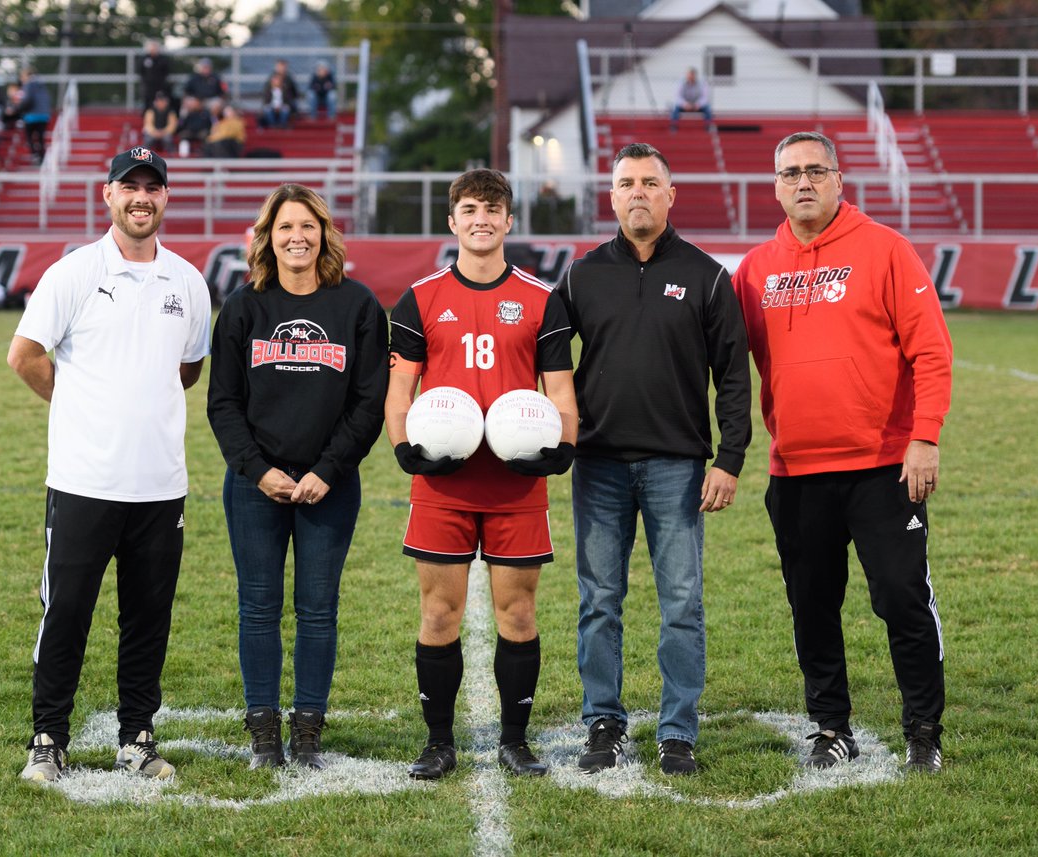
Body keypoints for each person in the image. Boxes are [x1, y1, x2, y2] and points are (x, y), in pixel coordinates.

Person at [731, 131, 952, 774]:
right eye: (790, 173)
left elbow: (931, 352)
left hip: (884, 466)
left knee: (903, 599)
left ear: (838, 179)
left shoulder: (886, 250)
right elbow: (721, 362)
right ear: (775, 185)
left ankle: (923, 729)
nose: (803, 182)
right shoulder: (755, 269)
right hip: (796, 472)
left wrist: (926, 436)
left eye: (815, 170)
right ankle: (831, 726)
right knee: (812, 605)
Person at [7, 147, 212, 783]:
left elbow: (189, 368)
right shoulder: (73, 272)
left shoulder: (188, 281)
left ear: (166, 199)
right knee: (65, 612)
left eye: (153, 188)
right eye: (130, 187)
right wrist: (82, 407)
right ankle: (48, 738)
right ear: (108, 195)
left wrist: (136, 401)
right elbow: (24, 354)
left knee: (146, 619)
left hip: (159, 486)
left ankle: (137, 737)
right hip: (83, 480)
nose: (141, 198)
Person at [556, 142, 751, 776]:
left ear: (671, 194)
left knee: (681, 603)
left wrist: (730, 460)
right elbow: (550, 364)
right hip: (600, 465)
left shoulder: (707, 275)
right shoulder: (583, 274)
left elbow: (734, 377)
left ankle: (677, 731)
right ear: (610, 197)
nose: (637, 192)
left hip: (678, 466)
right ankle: (604, 723)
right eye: (626, 183)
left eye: (649, 182)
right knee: (599, 600)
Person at [385, 168, 579, 781]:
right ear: (452, 220)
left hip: (516, 483)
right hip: (441, 482)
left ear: (509, 221)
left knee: (517, 614)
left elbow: (562, 393)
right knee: (439, 612)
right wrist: (402, 447)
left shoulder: (544, 299)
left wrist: (564, 446)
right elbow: (399, 392)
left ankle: (514, 741)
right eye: (470, 209)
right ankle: (438, 741)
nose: (481, 220)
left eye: (493, 210)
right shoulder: (419, 298)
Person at [207, 184, 388, 770]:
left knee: (318, 608)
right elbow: (223, 404)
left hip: (327, 488)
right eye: (285, 227)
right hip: (255, 486)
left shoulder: (357, 306)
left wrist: (327, 471)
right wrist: (257, 471)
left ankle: (307, 728)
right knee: (257, 606)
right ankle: (263, 730)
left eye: (307, 227)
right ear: (268, 238)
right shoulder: (242, 307)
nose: (297, 238)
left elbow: (368, 402)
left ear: (324, 235)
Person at [18, 67, 52, 165]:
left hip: (32, 116)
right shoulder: (42, 85)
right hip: (44, 116)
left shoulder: (28, 85)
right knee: (40, 138)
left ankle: (35, 155)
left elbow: (27, 100)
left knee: (29, 137)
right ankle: (42, 156)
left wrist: (18, 108)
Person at [137, 39, 173, 110]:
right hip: (148, 88)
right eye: (152, 47)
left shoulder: (163, 59)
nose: (153, 49)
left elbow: (166, 71)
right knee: (147, 106)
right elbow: (140, 71)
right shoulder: (144, 58)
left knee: (161, 106)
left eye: (155, 47)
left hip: (160, 87)